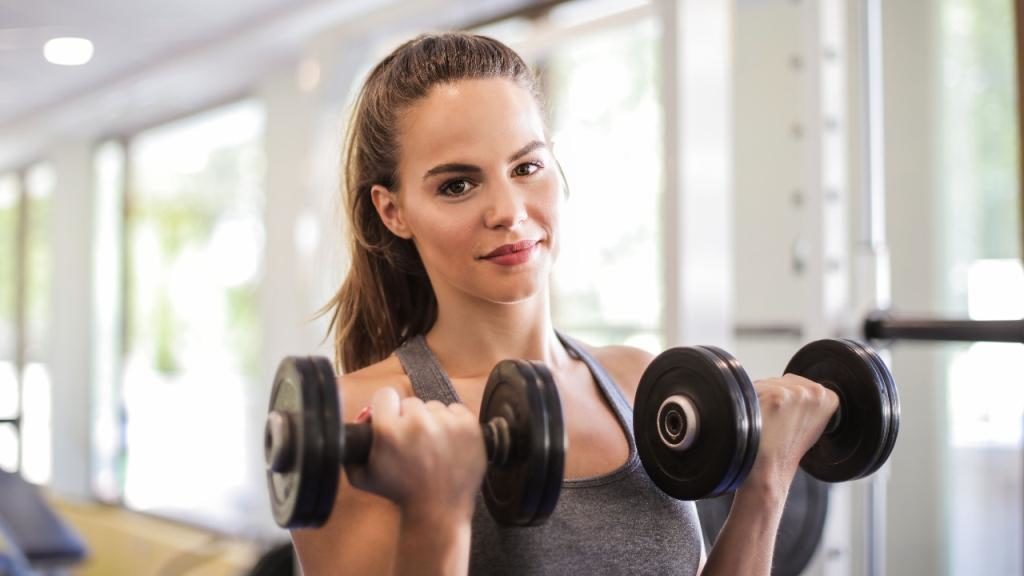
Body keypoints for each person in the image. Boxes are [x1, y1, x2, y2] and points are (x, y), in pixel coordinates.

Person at [290, 32, 839, 575]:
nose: (508, 210)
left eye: (526, 168)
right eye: (457, 185)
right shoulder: (358, 421)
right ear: (393, 211)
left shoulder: (641, 384)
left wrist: (768, 481)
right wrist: (437, 511)